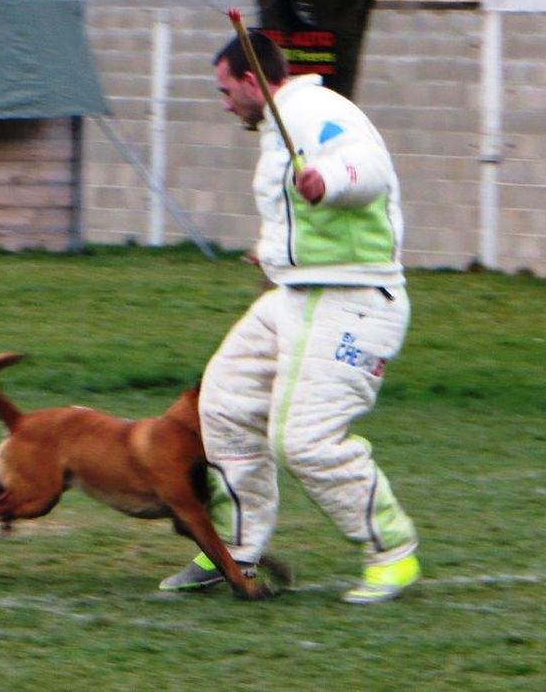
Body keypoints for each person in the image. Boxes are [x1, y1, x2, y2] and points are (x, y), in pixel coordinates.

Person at [159, 31, 420, 604]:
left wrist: (331, 182)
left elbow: (367, 167)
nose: (224, 104)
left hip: (351, 301)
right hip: (297, 294)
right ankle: (234, 551)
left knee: (303, 440)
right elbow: (302, 222)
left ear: (252, 81)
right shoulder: (278, 130)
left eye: (226, 91)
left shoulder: (318, 110)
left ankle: (392, 554)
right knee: (223, 403)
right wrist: (272, 253)